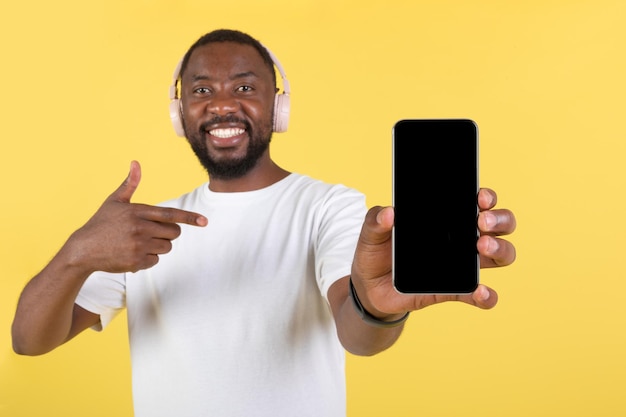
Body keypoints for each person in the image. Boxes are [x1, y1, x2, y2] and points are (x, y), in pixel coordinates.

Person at [11, 29, 517, 417]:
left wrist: (378, 310)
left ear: (279, 105)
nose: (222, 104)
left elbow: (358, 333)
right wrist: (76, 252)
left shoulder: (330, 206)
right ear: (179, 112)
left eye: (245, 86)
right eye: (201, 89)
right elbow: (29, 340)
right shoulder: (139, 230)